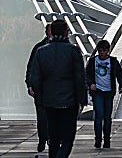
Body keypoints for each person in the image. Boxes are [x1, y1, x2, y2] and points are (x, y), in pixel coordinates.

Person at [30, 19, 86, 158]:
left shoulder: (41, 52)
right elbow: (79, 77)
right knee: (67, 139)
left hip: (49, 101)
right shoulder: (73, 51)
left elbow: (35, 78)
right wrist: (82, 99)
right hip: (69, 101)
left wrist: (40, 98)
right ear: (66, 32)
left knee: (53, 138)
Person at [86, 39, 122, 148]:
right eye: (100, 51)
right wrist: (90, 84)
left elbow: (119, 74)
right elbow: (87, 75)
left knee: (107, 116)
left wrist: (121, 85)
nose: (102, 53)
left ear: (108, 50)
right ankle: (98, 139)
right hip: (97, 91)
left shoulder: (112, 61)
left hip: (109, 91)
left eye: (104, 51)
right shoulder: (93, 61)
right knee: (99, 115)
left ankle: (107, 140)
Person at [25, 24, 51, 153]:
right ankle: (43, 140)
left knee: (53, 116)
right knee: (42, 117)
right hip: (40, 89)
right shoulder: (38, 48)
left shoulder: (66, 48)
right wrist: (29, 84)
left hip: (54, 90)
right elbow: (31, 68)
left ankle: (51, 139)